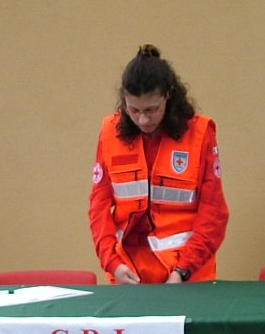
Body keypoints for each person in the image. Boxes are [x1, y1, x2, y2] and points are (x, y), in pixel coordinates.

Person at [89, 44, 229, 284]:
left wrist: (183, 271)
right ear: (123, 100)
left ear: (169, 96)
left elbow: (213, 213)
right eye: (133, 109)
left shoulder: (200, 134)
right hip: (129, 275)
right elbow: (99, 208)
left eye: (152, 110)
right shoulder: (109, 133)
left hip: (189, 276)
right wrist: (112, 263)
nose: (143, 119)